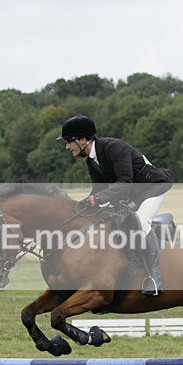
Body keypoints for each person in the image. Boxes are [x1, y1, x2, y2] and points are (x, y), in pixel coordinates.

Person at [57, 115, 175, 296]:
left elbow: (125, 183)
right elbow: (98, 190)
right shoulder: (91, 159)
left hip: (153, 187)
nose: (67, 146)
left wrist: (96, 200)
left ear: (83, 140)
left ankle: (154, 277)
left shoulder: (115, 148)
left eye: (69, 141)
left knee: (141, 223)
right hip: (133, 193)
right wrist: (81, 206)